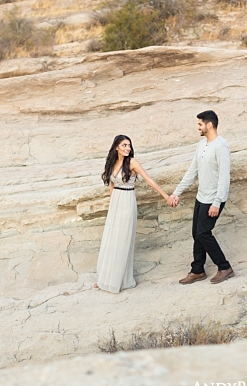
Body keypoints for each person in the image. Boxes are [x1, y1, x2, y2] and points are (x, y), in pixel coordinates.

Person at [94, 135, 172, 292]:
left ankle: (119, 280)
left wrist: (166, 196)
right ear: (116, 147)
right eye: (124, 145)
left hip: (127, 201)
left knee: (122, 241)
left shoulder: (132, 162)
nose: (127, 148)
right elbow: (111, 185)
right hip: (116, 202)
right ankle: (105, 278)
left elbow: (149, 180)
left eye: (129, 145)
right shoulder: (112, 162)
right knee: (111, 239)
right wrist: (111, 206)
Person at [169, 110, 234, 284]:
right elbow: (193, 171)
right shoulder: (202, 145)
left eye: (200, 124)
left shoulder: (221, 146)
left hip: (213, 199)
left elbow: (224, 177)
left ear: (209, 124)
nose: (198, 127)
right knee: (196, 234)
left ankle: (224, 267)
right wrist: (177, 192)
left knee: (204, 233)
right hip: (201, 197)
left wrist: (217, 202)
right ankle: (197, 270)